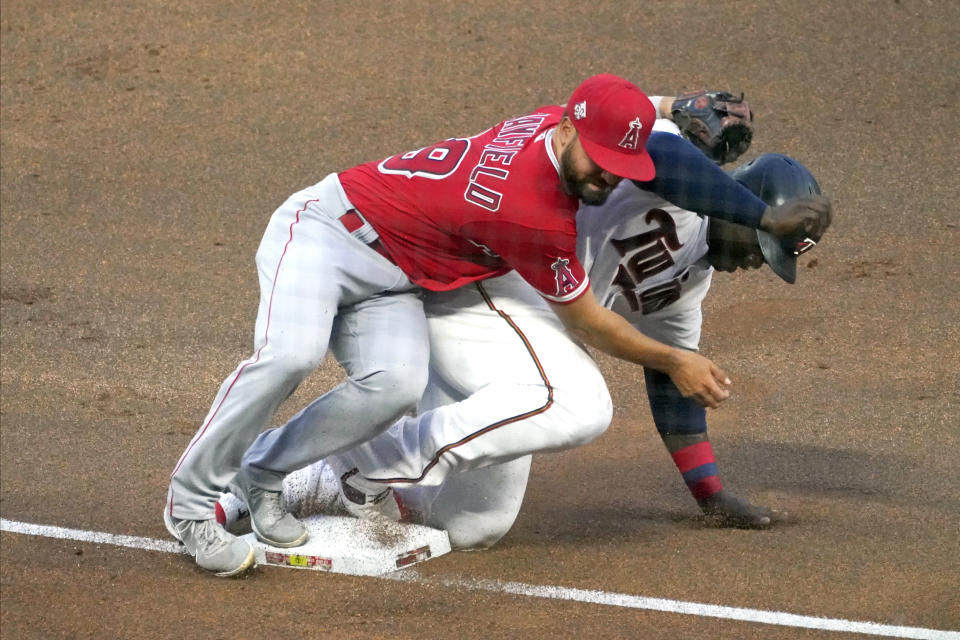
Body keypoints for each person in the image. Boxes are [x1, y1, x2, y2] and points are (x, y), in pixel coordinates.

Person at [166, 74, 830, 576]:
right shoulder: (627, 181)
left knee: (477, 519)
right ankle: (241, 493)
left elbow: (671, 369)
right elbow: (664, 165)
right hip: (411, 262)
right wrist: (760, 212)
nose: (755, 264)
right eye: (758, 247)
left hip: (442, 295)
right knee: (571, 401)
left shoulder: (686, 263)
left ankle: (294, 473)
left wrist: (708, 492)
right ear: (737, 203)